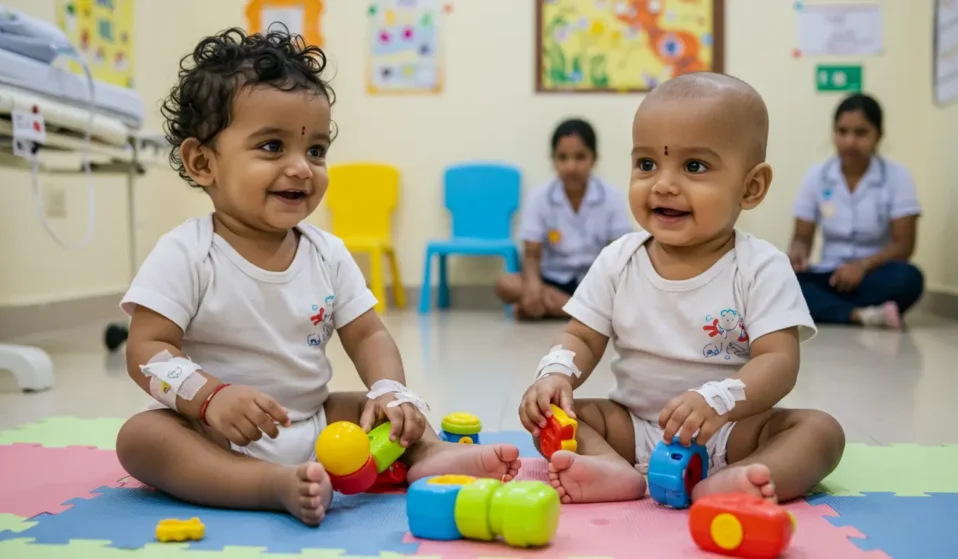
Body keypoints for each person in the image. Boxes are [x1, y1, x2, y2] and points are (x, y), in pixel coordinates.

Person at [114, 27, 520, 527]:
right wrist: (209, 396)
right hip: (217, 433)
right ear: (203, 163)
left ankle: (430, 456)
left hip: (318, 423)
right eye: (271, 146)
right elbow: (147, 350)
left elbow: (368, 332)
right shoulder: (187, 252)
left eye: (316, 150)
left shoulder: (326, 253)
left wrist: (390, 390)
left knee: (377, 410)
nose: (302, 169)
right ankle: (265, 486)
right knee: (141, 438)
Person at [518, 73, 845, 505]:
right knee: (558, 419)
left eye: (694, 167)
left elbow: (779, 361)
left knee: (821, 432)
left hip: (730, 432)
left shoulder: (760, 265)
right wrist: (556, 373)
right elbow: (581, 335)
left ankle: (738, 480)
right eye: (647, 164)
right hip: (632, 428)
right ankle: (614, 472)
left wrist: (719, 400)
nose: (663, 184)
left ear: (751, 187)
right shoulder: (619, 258)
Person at [789, 94, 923, 329]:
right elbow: (802, 237)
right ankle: (860, 315)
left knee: (910, 278)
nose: (850, 141)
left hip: (875, 274)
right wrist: (797, 254)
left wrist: (861, 266)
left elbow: (904, 245)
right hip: (830, 275)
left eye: (860, 133)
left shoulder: (897, 176)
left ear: (878, 136)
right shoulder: (816, 175)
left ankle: (827, 309)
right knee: (784, 282)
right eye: (842, 132)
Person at [496, 119, 633, 320]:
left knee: (631, 292)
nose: (571, 166)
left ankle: (559, 309)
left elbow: (620, 254)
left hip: (595, 281)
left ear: (594, 158)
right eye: (563, 158)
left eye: (580, 157)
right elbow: (532, 255)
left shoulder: (612, 197)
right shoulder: (539, 197)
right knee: (506, 284)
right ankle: (585, 313)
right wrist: (533, 288)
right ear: (553, 160)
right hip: (552, 281)